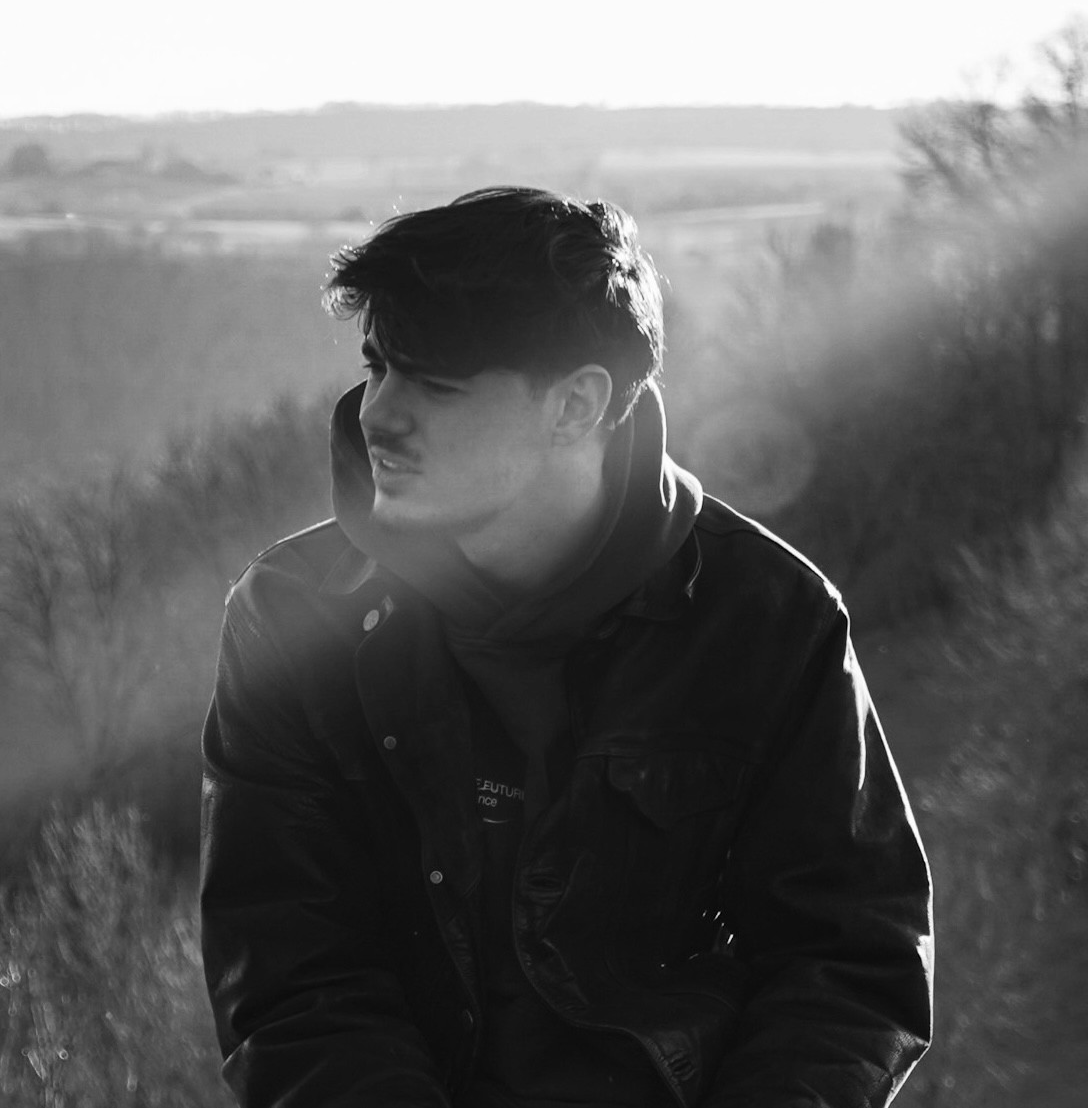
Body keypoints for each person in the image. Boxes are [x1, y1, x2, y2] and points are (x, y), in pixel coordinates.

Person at [200, 186, 933, 1108]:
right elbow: (292, 978)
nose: (377, 414)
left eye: (434, 383)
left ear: (577, 404)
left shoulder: (768, 619)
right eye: (378, 366)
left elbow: (848, 961)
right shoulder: (292, 613)